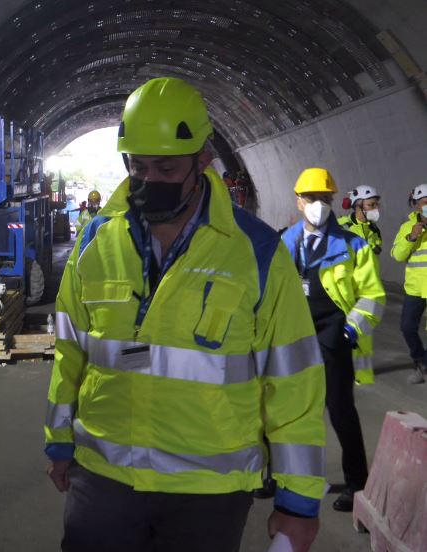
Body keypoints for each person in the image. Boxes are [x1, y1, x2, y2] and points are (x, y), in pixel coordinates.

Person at [44, 77, 325, 552]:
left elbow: (293, 379)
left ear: (203, 160)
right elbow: (70, 350)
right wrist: (58, 440)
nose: (149, 179)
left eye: (166, 168)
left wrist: (299, 501)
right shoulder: (96, 242)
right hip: (105, 481)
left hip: (208, 496)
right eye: (138, 166)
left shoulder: (255, 252)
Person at [281, 168, 384, 512]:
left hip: (333, 335)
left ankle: (356, 483)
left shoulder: (355, 245)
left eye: (324, 199)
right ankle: (279, 477)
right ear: (298, 201)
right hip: (293, 335)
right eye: (311, 198)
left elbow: (372, 295)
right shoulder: (284, 243)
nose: (318, 205)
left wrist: (350, 329)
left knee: (340, 410)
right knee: (287, 410)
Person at [338, 185, 383, 385]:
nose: (376, 208)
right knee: (336, 334)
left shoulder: (373, 229)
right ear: (358, 206)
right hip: (343, 290)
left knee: (363, 335)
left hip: (364, 290)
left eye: (376, 204)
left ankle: (362, 377)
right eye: (371, 205)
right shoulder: (342, 227)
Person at [391, 183, 427, 384]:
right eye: (424, 202)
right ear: (415, 206)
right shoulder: (407, 227)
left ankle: (423, 367)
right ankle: (420, 361)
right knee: (407, 327)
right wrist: (412, 236)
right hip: (414, 288)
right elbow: (397, 255)